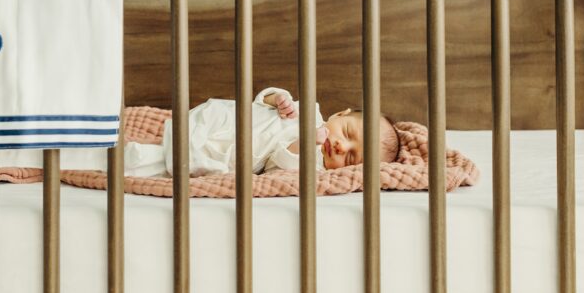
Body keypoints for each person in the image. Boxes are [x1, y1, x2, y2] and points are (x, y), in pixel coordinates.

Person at [122, 87, 400, 177]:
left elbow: (279, 162)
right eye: (348, 133)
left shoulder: (315, 166)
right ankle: (176, 145)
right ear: (340, 115)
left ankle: (151, 157)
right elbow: (262, 101)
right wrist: (278, 98)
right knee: (205, 119)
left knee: (206, 162)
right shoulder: (309, 110)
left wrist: (305, 143)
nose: (341, 146)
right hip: (231, 119)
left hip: (233, 153)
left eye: (350, 158)